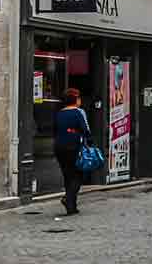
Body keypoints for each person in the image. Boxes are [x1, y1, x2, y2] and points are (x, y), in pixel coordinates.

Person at [53, 88, 90, 216]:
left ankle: (71, 206)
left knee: (67, 175)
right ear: (76, 100)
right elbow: (86, 130)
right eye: (79, 98)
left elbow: (55, 130)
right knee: (79, 175)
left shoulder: (59, 114)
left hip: (59, 147)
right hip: (74, 146)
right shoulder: (79, 112)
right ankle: (68, 198)